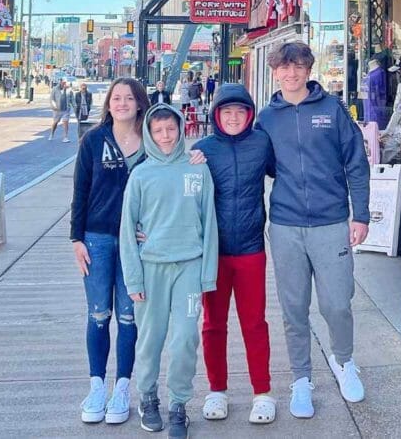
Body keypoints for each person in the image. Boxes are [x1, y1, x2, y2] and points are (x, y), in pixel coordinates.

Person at [257, 40, 370, 418]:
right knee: (293, 309)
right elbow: (258, 164)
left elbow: (356, 163)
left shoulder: (333, 109)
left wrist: (362, 214)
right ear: (275, 72)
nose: (291, 74)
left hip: (332, 222)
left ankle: (344, 361)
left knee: (337, 303)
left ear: (308, 69)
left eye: (298, 67)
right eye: (284, 68)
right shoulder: (266, 118)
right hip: (286, 225)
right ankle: (301, 379)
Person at [119, 105, 218, 438]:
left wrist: (207, 274)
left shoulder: (197, 169)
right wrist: (133, 277)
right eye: (158, 131)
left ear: (180, 129)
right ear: (149, 133)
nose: (165, 136)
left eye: (171, 129)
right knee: (150, 341)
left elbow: (210, 223)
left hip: (189, 266)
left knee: (185, 338)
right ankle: (148, 397)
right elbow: (126, 229)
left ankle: (178, 404)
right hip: (151, 269)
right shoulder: (141, 174)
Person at [71, 77, 151, 426]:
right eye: (116, 98)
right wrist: (76, 240)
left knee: (129, 316)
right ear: (108, 103)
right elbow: (80, 191)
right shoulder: (93, 140)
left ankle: (122, 387)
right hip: (98, 238)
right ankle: (97, 386)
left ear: (139, 103)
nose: (122, 103)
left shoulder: (152, 141)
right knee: (99, 314)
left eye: (128, 98)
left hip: (137, 243)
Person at [196, 84, 276, 424]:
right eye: (226, 112)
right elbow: (179, 194)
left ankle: (262, 393)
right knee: (213, 324)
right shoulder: (202, 149)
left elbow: (288, 171)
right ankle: (217, 391)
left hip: (250, 249)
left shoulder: (261, 143)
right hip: (213, 253)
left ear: (249, 115)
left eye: (239, 112)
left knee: (254, 323)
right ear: (216, 115)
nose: (232, 117)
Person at [50, 78, 73, 142]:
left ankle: (65, 137)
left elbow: (72, 99)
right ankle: (52, 133)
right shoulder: (55, 89)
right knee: (55, 122)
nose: (64, 84)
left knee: (65, 122)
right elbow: (52, 99)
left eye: (65, 83)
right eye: (63, 82)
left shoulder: (69, 90)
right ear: (60, 82)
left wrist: (75, 106)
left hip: (66, 109)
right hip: (57, 109)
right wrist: (54, 106)